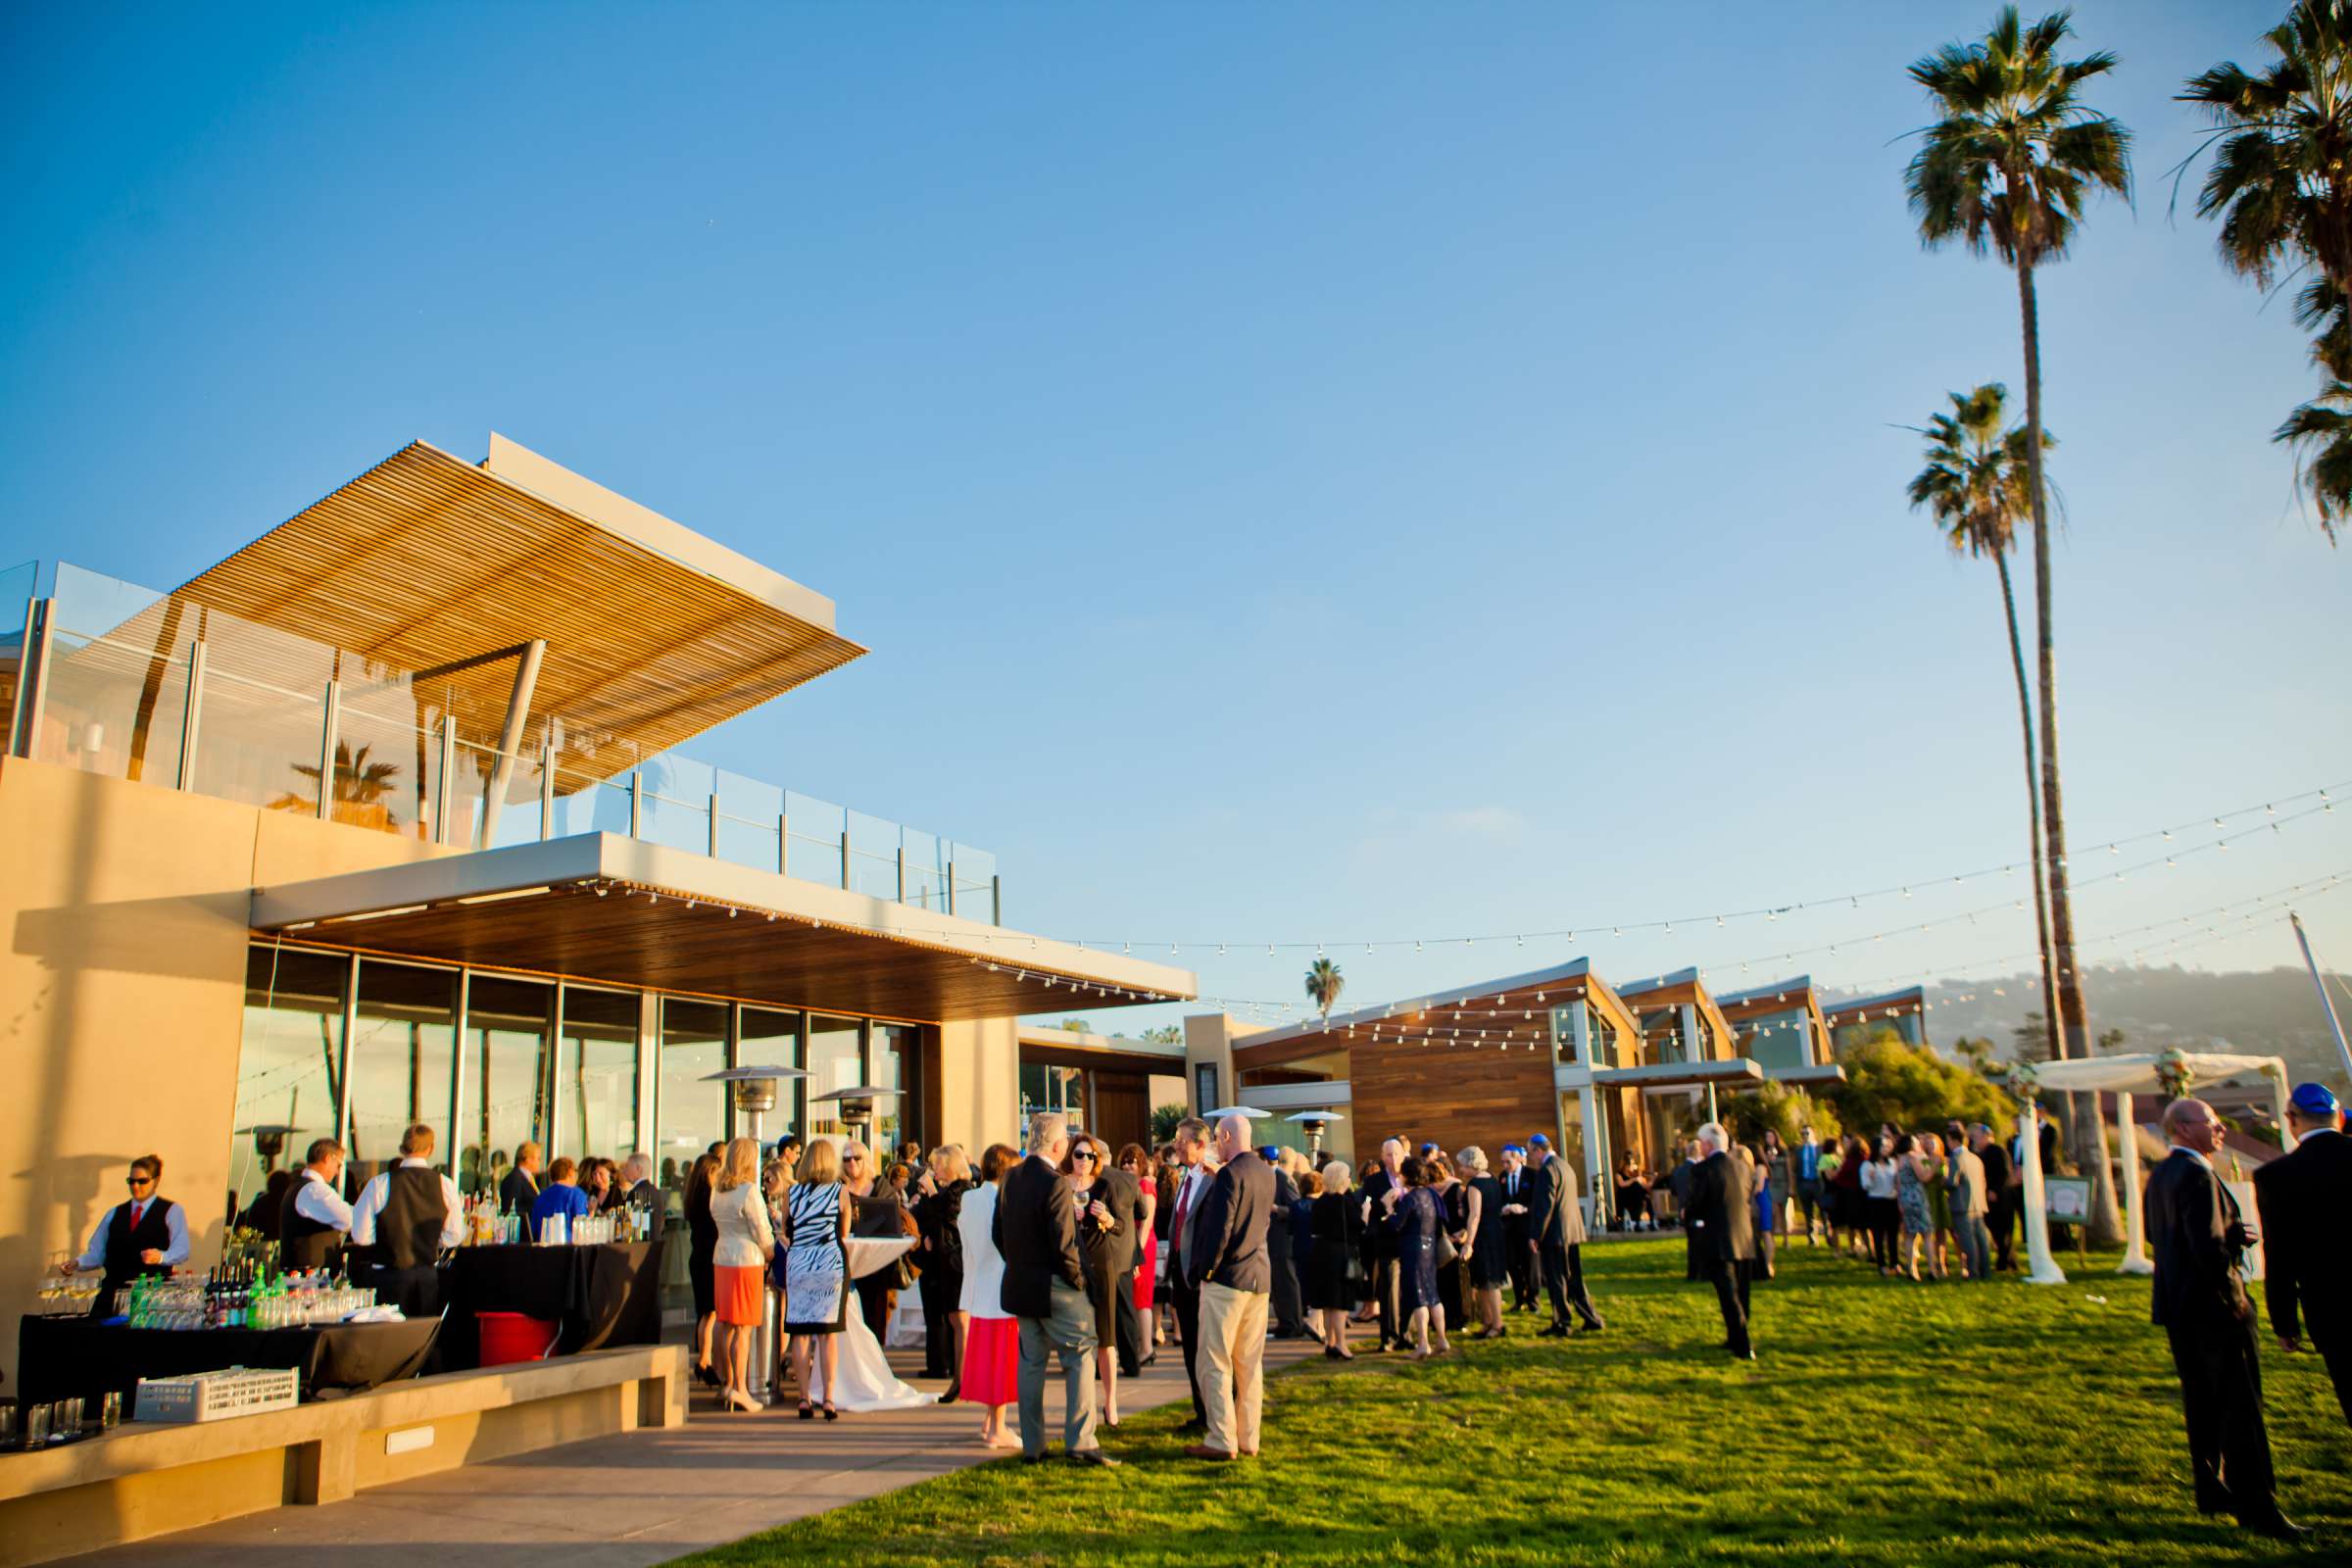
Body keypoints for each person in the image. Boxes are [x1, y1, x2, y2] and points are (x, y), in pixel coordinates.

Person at [2147, 1097, 2296, 1538]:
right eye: (2211, 1122)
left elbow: (2165, 1236)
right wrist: (2236, 1295)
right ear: (2183, 1128)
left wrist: (2231, 1233)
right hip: (2215, 1308)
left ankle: (2211, 1489)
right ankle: (2259, 1508)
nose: (2220, 1129)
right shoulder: (2196, 1174)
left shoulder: (2162, 1173)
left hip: (2178, 1307)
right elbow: (2206, 1248)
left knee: (2201, 1400)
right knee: (2239, 1407)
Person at [995, 1112, 1115, 1466]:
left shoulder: (1010, 1179)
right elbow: (1065, 1245)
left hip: (1020, 1283)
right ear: (1060, 1146)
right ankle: (1080, 1440)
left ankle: (1033, 1445)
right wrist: (1078, 1281)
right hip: (1056, 1284)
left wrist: (1018, 1263)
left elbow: (997, 1234)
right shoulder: (1056, 1184)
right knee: (1079, 1354)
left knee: (1031, 1363)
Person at [2253, 1082, 2351, 1427]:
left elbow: (2278, 1255)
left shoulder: (2275, 1177)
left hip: (2333, 1311)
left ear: (2290, 1120)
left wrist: (2284, 1322)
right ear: (2339, 1116)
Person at [1185, 1113, 1276, 1460]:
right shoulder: (1266, 1172)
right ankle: (1248, 1437)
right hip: (1259, 1278)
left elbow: (1219, 1232)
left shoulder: (1229, 1177)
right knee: (1250, 1363)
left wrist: (1205, 1271)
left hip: (1227, 1280)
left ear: (1224, 1136)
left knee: (1214, 1360)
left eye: (1217, 1140)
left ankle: (1221, 1438)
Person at [349, 1123, 464, 1318]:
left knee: (389, 1340)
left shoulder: (380, 1183)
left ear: (402, 1148)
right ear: (431, 1149)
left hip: (389, 1275)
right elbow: (454, 1236)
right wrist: (429, 1242)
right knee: (423, 1339)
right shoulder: (445, 1184)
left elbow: (361, 1236)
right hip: (426, 1275)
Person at [1057, 1132, 1129, 1429]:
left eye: (1091, 1156)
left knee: (1105, 1337)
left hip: (1101, 1264)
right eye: (1079, 1155)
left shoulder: (1105, 1186)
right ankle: (1081, 1403)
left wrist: (1107, 1218)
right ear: (1070, 1156)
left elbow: (1121, 1227)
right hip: (1072, 1264)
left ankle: (1110, 1400)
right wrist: (1069, 1218)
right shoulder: (1061, 1186)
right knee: (1077, 1338)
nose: (1084, 1161)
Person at [783, 1137, 852, 1419]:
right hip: (828, 1262)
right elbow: (844, 1232)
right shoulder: (840, 1191)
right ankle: (829, 1397)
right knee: (827, 1336)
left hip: (799, 1262)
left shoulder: (792, 1192)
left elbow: (787, 1227)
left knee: (800, 1333)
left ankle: (802, 1398)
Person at [66, 1153, 189, 1310]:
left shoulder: (172, 1211)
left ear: (156, 1180)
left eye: (142, 1181)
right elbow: (98, 1253)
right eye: (131, 1181)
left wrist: (161, 1257)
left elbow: (182, 1250)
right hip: (111, 1295)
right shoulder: (114, 1213)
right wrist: (77, 1263)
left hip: (149, 1298)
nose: (135, 1186)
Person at [958, 1144, 1022, 1447]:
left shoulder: (969, 1199)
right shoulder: (1004, 1200)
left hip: (978, 1286)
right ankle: (998, 1426)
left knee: (987, 1358)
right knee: (1002, 1362)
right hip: (1002, 1286)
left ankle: (989, 1421)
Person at [708, 1136, 774, 1413]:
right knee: (744, 1328)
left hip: (722, 1256)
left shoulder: (717, 1190)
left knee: (725, 1324)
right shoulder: (749, 1191)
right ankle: (741, 1389)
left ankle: (727, 1382)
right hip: (746, 1259)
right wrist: (770, 1252)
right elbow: (762, 1230)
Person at [1686, 1122, 1755, 1360]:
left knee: (1727, 1293)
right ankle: (1735, 1336)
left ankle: (1743, 1343)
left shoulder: (1703, 1170)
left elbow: (1697, 1202)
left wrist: (1690, 1214)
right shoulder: (1743, 1168)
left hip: (1718, 1238)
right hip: (1744, 1237)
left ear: (1707, 1144)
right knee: (1742, 1292)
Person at [1164, 1116, 1216, 1428]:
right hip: (1180, 1275)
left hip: (1199, 1275)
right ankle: (1201, 1410)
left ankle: (1215, 1410)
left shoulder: (1212, 1179)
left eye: (1182, 1140)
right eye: (1176, 1139)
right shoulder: (1187, 1177)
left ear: (1200, 1144)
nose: (1177, 1145)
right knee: (1191, 1347)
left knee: (1207, 1347)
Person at [912, 1144, 975, 1396]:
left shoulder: (962, 1190)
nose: (934, 1169)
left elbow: (952, 1218)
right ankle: (960, 1376)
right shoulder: (947, 1191)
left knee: (960, 1321)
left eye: (937, 1164)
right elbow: (933, 1218)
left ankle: (962, 1378)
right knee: (954, 1319)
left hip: (956, 1264)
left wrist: (932, 1193)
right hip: (945, 1264)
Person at [1529, 1132, 1604, 1335]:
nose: (1531, 1158)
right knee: (1574, 1278)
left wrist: (1536, 1235)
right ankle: (1591, 1317)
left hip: (1555, 1235)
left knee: (1557, 1279)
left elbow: (1545, 1206)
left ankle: (1562, 1321)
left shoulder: (1547, 1170)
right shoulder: (1564, 1165)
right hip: (1571, 1232)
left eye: (1531, 1153)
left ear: (1538, 1150)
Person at [1380, 1153, 1448, 1360]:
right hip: (1429, 1249)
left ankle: (1423, 1344)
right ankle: (1442, 1339)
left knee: (1418, 1298)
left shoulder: (1410, 1198)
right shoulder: (1429, 1195)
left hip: (1413, 1250)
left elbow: (1397, 1225)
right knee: (1433, 1295)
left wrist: (1388, 1208)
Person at [844, 1141, 904, 1344]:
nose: (851, 1162)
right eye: (846, 1158)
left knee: (875, 1314)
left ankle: (876, 1357)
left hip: (876, 1263)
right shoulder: (839, 1188)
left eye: (856, 1157)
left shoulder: (880, 1186)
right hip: (848, 1261)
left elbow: (891, 1220)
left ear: (866, 1159)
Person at [1308, 1159, 1363, 1358]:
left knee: (1327, 1302)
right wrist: (1364, 1213)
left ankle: (1329, 1343)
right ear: (1342, 1180)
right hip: (1340, 1254)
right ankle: (1341, 1344)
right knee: (1339, 1303)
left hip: (1320, 1253)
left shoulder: (1319, 1202)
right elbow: (1358, 1226)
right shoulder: (1345, 1203)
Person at [1357, 1138, 1408, 1350]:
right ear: (1382, 1157)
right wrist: (1385, 1202)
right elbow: (1368, 1210)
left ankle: (1406, 1333)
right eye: (1388, 1154)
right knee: (1387, 1288)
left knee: (1408, 1290)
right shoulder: (1374, 1181)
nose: (1393, 1159)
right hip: (1387, 1241)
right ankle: (1388, 1336)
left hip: (1409, 1239)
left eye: (1396, 1154)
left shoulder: (1411, 1177)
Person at [278, 1138, 352, 1273]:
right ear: (328, 1158)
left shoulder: (300, 1186)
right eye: (338, 1165)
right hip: (308, 1278)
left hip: (302, 1273)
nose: (337, 1172)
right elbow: (349, 1219)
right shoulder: (313, 1190)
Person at [1116, 1143, 1159, 1372]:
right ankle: (1142, 1347)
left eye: (1132, 1161)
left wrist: (1137, 1255)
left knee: (1142, 1299)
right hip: (1131, 1246)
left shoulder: (1145, 1185)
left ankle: (1146, 1348)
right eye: (1124, 1160)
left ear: (1141, 1163)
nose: (1127, 1165)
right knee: (1135, 1298)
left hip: (1141, 1247)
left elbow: (1146, 1222)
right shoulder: (1128, 1184)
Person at [684, 1151, 721, 1392]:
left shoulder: (692, 1196)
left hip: (697, 1257)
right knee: (712, 1313)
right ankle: (706, 1361)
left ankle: (704, 1359)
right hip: (710, 1258)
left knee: (704, 1312)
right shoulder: (711, 1198)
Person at [1459, 1146, 1506, 1339]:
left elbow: (1475, 1215)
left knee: (1490, 1282)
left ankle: (1497, 1324)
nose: (1460, 1169)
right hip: (1496, 1233)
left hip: (1483, 1237)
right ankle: (1488, 1322)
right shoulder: (1493, 1180)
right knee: (1484, 1282)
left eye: (1462, 1165)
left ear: (1471, 1164)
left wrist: (1468, 1242)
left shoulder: (1474, 1185)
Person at [1265, 1147, 1306, 1339]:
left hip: (1283, 1239)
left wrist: (1276, 1209)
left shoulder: (1284, 1179)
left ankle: (1293, 1323)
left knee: (1287, 1282)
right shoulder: (1276, 1177)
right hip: (1274, 1239)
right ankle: (1285, 1322)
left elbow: (1295, 1209)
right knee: (1278, 1283)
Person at [1943, 1122, 1991, 1284]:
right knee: (1981, 1239)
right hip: (1978, 1202)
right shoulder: (1975, 1158)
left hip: (1962, 1204)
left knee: (1968, 1240)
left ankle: (1973, 1272)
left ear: (1952, 1140)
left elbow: (1952, 1182)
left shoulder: (1956, 1158)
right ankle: (1986, 1271)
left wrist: (1941, 1177)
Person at [1975, 1123, 2018, 1272]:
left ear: (1987, 1136)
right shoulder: (1983, 1153)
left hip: (2001, 1197)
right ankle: (2008, 1259)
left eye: (1978, 1137)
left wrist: (1994, 1190)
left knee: (2002, 1230)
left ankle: (2004, 1262)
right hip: (1989, 1196)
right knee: (1996, 1230)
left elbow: (2004, 1172)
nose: (1976, 1141)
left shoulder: (1997, 1151)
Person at [1498, 1145, 1539, 1308]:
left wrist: (1525, 1209)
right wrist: (1504, 1208)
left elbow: (1538, 1200)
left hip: (1527, 1226)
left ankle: (1532, 1299)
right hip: (1509, 1228)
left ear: (1518, 1159)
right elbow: (1499, 1199)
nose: (1505, 1166)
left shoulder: (1531, 1175)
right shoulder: (1502, 1176)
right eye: (1503, 1162)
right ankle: (1519, 1298)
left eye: (1508, 1162)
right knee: (1513, 1264)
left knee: (1530, 1264)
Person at [1894, 1134, 1934, 1282]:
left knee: (1909, 1235)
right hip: (1917, 1197)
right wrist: (1932, 1166)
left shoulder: (1899, 1160)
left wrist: (1900, 1200)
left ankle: (1911, 1269)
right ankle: (1932, 1269)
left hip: (1904, 1199)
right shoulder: (1912, 1157)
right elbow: (1923, 1176)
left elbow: (1897, 1183)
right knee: (1927, 1234)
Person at [1860, 1134, 1900, 1276]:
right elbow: (1865, 1185)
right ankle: (1881, 1264)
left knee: (1893, 1234)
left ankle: (1895, 1263)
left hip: (1892, 1201)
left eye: (1888, 1145)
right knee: (1878, 1234)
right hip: (1876, 1202)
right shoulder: (1868, 1165)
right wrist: (1871, 1179)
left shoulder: (1893, 1163)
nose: (1887, 1148)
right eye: (1883, 1145)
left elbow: (1897, 1182)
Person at [529, 1156, 593, 1240]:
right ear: (570, 1172)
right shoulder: (576, 1194)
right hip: (568, 1248)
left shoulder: (541, 1196)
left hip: (543, 1248)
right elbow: (582, 1227)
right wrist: (591, 1213)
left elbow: (533, 1229)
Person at [1669, 1139, 1702, 1280]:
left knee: (1691, 1242)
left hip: (1684, 1209)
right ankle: (1701, 1272)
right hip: (1697, 1210)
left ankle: (1692, 1272)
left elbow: (1673, 1191)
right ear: (1698, 1153)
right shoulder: (1698, 1170)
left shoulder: (1677, 1171)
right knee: (1700, 1242)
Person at [1793, 1126, 1825, 1245]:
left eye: (1807, 1133)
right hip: (1804, 1183)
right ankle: (1811, 1237)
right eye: (1803, 1134)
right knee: (1808, 1212)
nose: (1805, 1136)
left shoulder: (1820, 1148)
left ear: (1813, 1133)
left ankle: (1829, 1235)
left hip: (1818, 1183)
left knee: (1823, 1210)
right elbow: (1795, 1168)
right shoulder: (1799, 1150)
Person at [499, 1140, 543, 1219]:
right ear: (528, 1159)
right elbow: (511, 1210)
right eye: (538, 1158)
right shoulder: (514, 1179)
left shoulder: (529, 1179)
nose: (539, 1162)